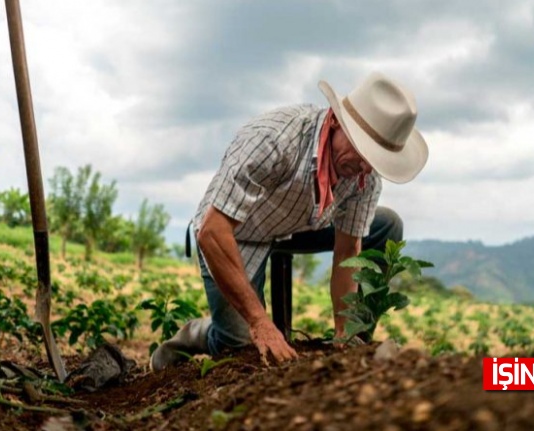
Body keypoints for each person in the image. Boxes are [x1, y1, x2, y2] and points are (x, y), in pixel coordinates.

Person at [150, 71, 429, 371]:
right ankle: (197, 333)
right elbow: (213, 231)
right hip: (237, 231)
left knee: (387, 224)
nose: (364, 167)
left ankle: (356, 339)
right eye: (362, 152)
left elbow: (349, 251)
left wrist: (344, 333)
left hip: (299, 224)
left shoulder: (363, 174)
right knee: (239, 345)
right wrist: (260, 322)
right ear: (336, 122)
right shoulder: (274, 140)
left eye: (374, 160)